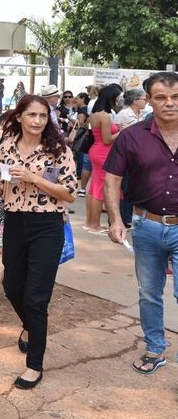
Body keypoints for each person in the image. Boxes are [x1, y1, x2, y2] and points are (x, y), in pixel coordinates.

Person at [0, 94, 77, 389]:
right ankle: (30, 326)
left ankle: (34, 365)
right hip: (14, 220)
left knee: (36, 296)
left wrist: (34, 177)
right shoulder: (6, 146)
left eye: (43, 116)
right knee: (12, 285)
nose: (37, 121)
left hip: (47, 224)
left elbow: (69, 193)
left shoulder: (59, 149)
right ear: (19, 116)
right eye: (31, 115)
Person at [103, 71, 178, 376]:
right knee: (149, 291)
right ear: (149, 99)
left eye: (175, 97)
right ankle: (155, 348)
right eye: (161, 97)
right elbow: (112, 178)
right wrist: (116, 219)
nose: (169, 103)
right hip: (145, 226)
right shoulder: (132, 136)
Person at [85, 84, 123, 232]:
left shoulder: (95, 114)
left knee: (94, 187)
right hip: (103, 152)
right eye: (117, 98)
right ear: (111, 98)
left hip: (97, 150)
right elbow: (107, 139)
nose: (119, 100)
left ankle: (90, 222)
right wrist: (122, 131)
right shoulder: (105, 116)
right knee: (100, 189)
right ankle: (94, 224)